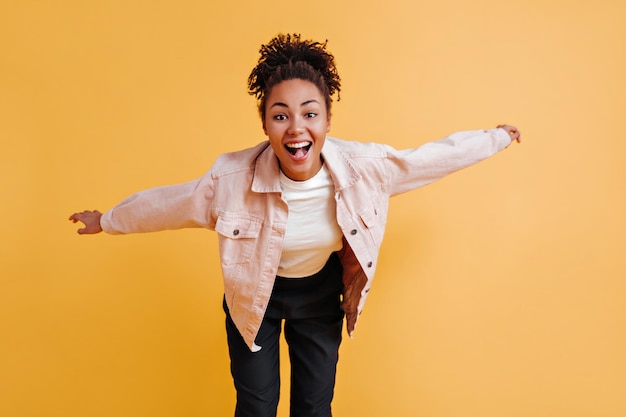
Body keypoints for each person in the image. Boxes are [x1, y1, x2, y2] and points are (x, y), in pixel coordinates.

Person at [69, 33, 521, 417]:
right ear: (265, 124)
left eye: (309, 113)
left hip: (319, 294)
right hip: (254, 300)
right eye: (280, 115)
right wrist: (107, 220)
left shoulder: (366, 169)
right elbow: (168, 204)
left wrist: (495, 138)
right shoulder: (230, 181)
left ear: (326, 119)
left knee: (313, 406)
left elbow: (431, 159)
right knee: (257, 407)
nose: (296, 128)